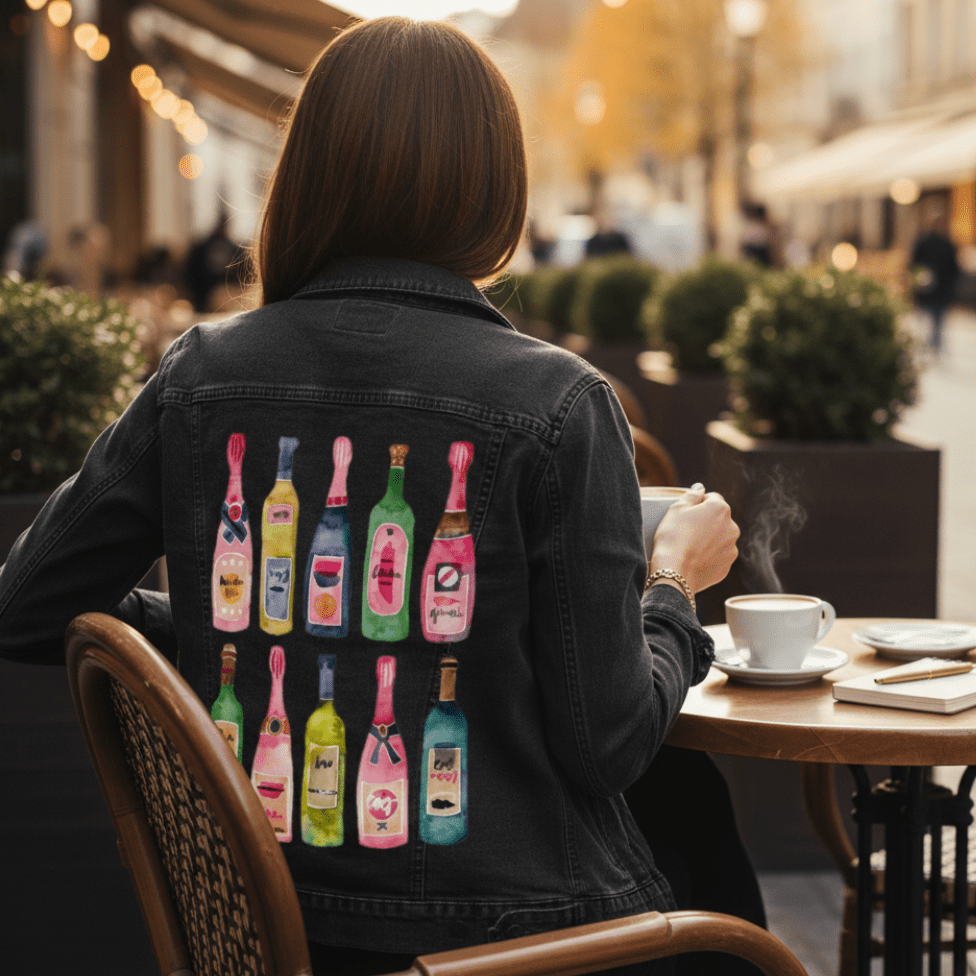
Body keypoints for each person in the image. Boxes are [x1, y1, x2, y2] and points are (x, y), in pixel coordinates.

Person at [0, 18, 745, 976]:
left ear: (306, 174)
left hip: (260, 923)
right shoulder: (560, 403)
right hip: (512, 943)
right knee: (715, 878)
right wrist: (675, 587)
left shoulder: (198, 377)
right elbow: (610, 743)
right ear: (495, 187)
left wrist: (248, 623)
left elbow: (24, 607)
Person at [911, 201, 960, 354]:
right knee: (932, 319)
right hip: (933, 289)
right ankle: (931, 345)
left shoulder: (939, 244)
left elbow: (914, 264)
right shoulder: (943, 244)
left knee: (934, 319)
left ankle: (932, 345)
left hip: (935, 289)